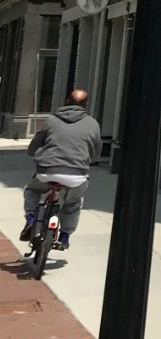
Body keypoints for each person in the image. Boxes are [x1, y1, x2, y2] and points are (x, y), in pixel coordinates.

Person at [21, 89, 101, 251]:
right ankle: (64, 237)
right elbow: (96, 153)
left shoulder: (51, 120)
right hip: (77, 174)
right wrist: (89, 160)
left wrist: (32, 152)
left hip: (47, 171)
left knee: (32, 190)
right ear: (85, 105)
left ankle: (30, 219)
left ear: (66, 101)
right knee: (73, 202)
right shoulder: (93, 124)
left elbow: (36, 142)